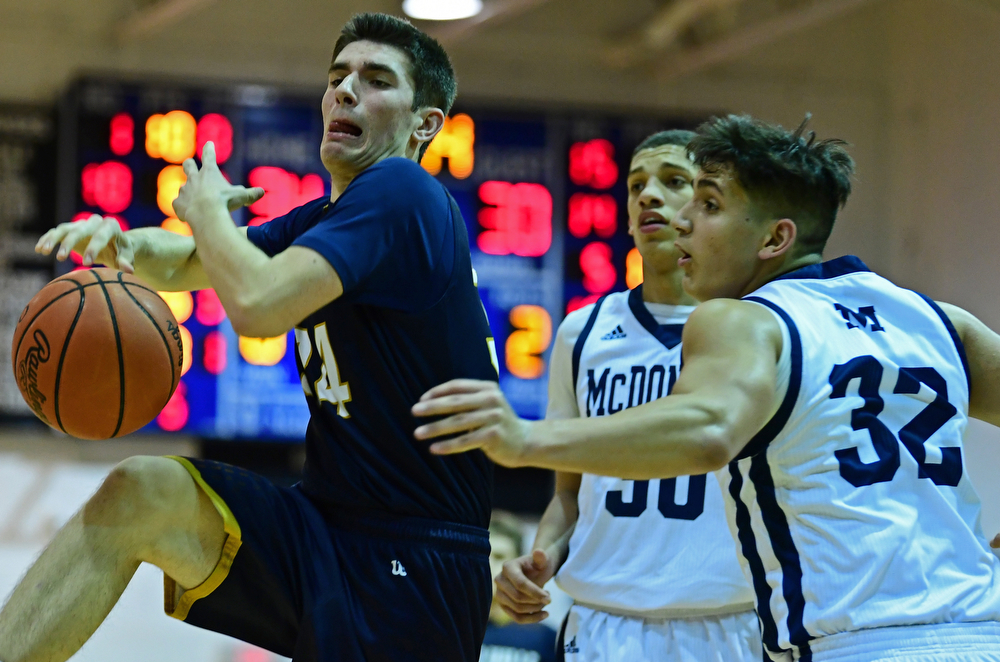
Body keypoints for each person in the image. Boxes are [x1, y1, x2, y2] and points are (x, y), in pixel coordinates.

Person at [1, 13, 497, 662]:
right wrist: (121, 243)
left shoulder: (403, 193)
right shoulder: (331, 217)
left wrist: (206, 210)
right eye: (337, 77)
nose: (345, 91)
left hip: (414, 560)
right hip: (326, 527)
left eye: (376, 80)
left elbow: (259, 305)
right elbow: (186, 263)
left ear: (424, 124)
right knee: (140, 493)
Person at [413, 114, 1000, 662]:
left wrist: (523, 438)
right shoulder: (937, 318)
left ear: (775, 239)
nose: (684, 219)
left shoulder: (742, 318)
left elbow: (709, 429)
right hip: (980, 633)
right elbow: (580, 492)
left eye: (708, 203)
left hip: (849, 644)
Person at [495, 130, 760, 661]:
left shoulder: (756, 327)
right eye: (637, 184)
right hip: (603, 621)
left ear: (710, 205)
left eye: (673, 181)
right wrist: (541, 556)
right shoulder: (582, 331)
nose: (648, 196)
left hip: (725, 618)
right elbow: (569, 494)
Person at [481, 511, 557, 662]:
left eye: (498, 557)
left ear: (517, 566)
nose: (488, 566)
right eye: (483, 557)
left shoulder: (545, 638)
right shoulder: (456, 633)